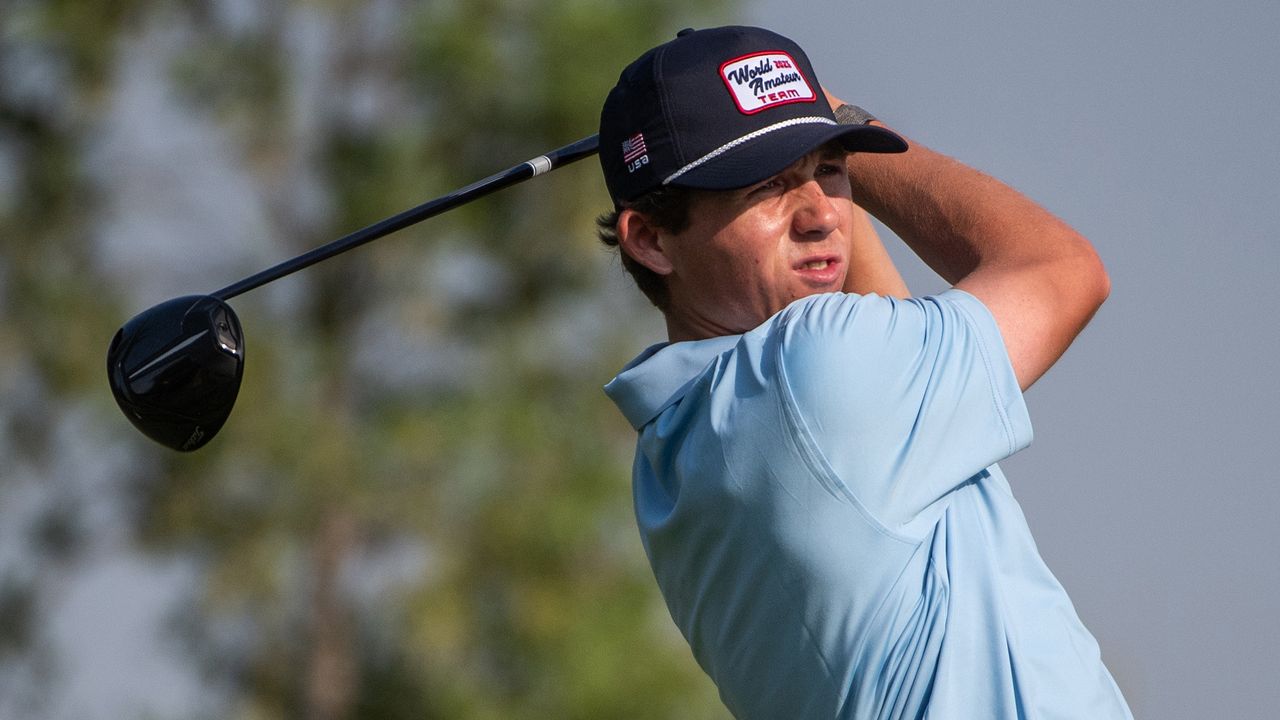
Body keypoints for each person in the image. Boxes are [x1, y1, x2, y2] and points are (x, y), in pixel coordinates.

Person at [595, 25, 1134, 720]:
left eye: (830, 168)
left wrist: (803, 126)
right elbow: (1064, 270)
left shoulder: (670, 452)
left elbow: (878, 319)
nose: (821, 215)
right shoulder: (812, 369)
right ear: (652, 239)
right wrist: (843, 115)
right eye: (767, 185)